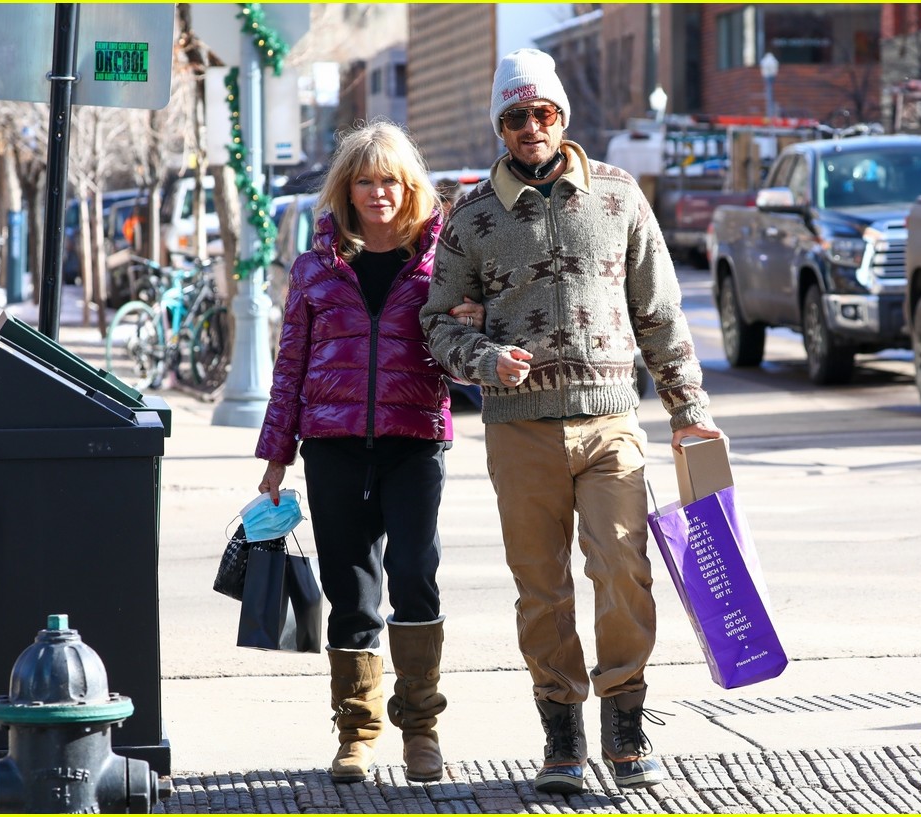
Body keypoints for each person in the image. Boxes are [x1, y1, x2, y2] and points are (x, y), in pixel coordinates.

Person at [420, 49, 723, 794]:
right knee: (541, 588)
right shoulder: (472, 217)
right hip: (520, 431)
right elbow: (435, 327)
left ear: (564, 116)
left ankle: (625, 726)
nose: (531, 127)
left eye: (544, 113)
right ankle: (562, 736)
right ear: (500, 123)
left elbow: (660, 315)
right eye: (516, 116)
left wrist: (690, 411)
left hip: (611, 424)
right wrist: (486, 358)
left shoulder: (620, 197)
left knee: (623, 569)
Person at [255, 121, 482, 785]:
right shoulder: (315, 267)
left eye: (390, 180)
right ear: (345, 189)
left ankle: (421, 727)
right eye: (365, 180)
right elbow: (290, 366)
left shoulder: (442, 264)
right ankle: (356, 729)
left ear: (409, 187)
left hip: (415, 442)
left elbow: (464, 356)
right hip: (333, 445)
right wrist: (276, 453)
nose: (378, 192)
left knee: (415, 573)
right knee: (350, 590)